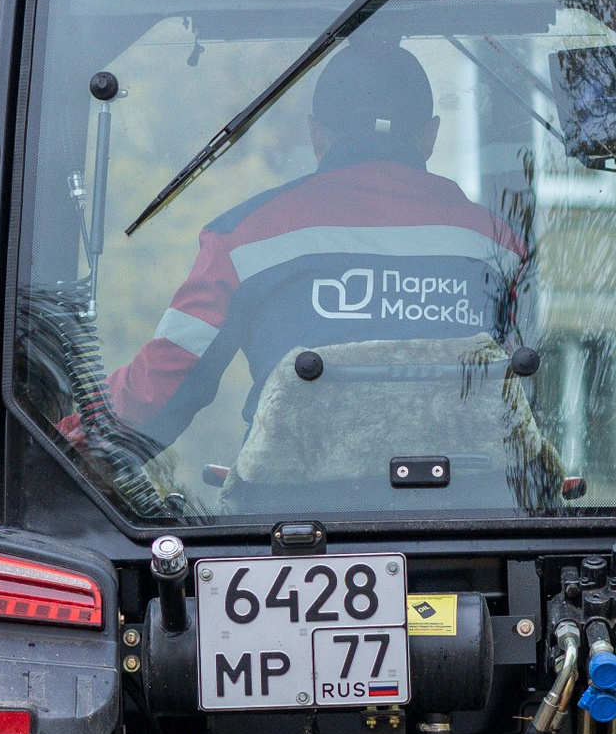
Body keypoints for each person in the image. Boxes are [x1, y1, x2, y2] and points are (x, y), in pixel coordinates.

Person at [103, 34, 527, 446]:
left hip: (287, 508)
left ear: (316, 135)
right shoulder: (501, 247)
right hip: (475, 506)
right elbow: (530, 389)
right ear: (429, 136)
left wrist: (69, 433)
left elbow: (160, 386)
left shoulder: (244, 239)